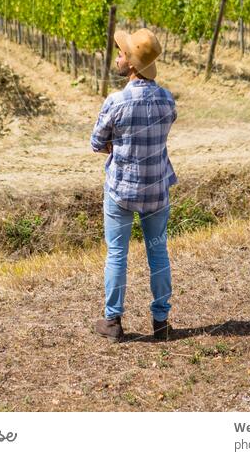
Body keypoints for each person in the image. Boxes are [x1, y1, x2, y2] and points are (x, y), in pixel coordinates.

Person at [90, 27, 178, 343]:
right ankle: (161, 322)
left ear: (129, 64)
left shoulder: (116, 101)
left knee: (117, 253)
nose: (117, 55)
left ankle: (113, 322)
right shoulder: (167, 100)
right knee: (158, 252)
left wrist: (118, 144)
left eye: (122, 52)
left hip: (121, 190)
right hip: (157, 188)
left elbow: (97, 142)